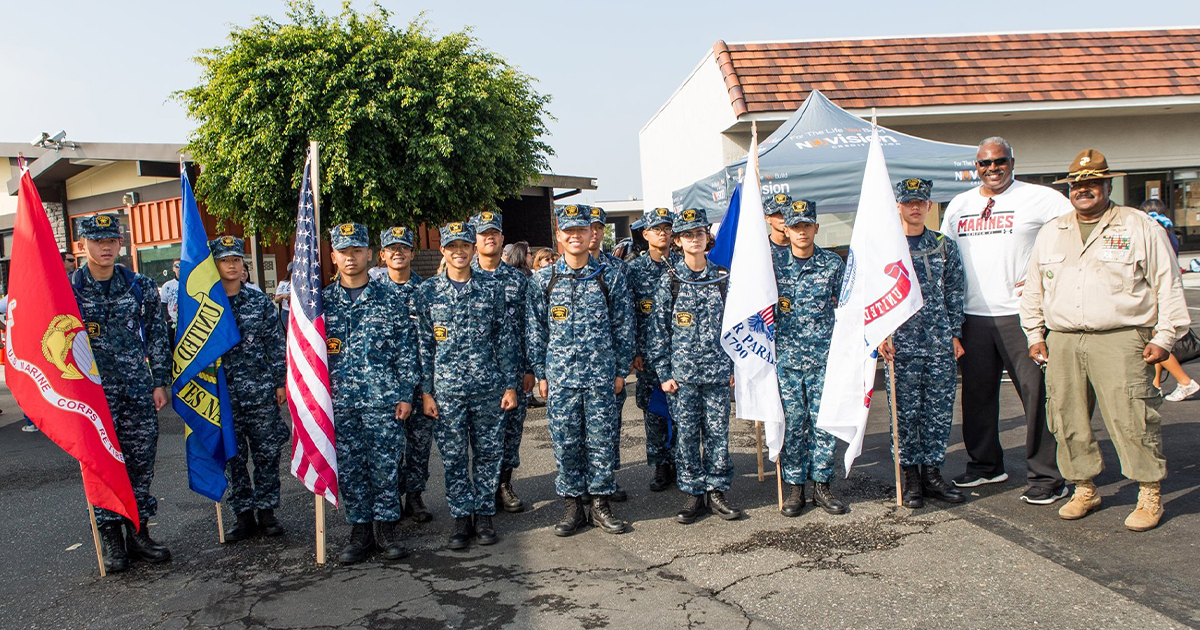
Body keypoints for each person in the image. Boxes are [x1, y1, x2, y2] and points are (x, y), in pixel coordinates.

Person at [1021, 148, 1190, 532]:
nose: (1084, 190)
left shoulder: (1139, 225)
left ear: (1107, 184)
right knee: (1066, 417)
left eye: (1092, 182)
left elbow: (1168, 283)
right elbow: (1033, 290)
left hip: (1121, 337)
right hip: (1063, 338)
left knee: (1132, 418)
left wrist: (1165, 336)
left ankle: (1148, 492)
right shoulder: (1053, 231)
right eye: (1077, 184)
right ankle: (1084, 487)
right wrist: (1035, 333)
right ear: (1069, 189)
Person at [940, 136, 1073, 505]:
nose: (993, 169)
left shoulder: (1040, 198)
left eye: (1000, 161)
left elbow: (1075, 233)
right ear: (975, 167)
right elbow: (947, 256)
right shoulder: (960, 205)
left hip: (1021, 315)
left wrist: (1048, 276)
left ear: (1012, 162)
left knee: (1035, 396)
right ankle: (985, 466)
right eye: (985, 163)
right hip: (973, 316)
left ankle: (1048, 475)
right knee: (977, 396)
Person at [71, 214, 172, 572]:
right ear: (83, 245)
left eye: (111, 241)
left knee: (140, 462)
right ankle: (111, 536)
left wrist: (159, 381)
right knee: (101, 465)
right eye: (98, 242)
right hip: (93, 396)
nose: (106, 248)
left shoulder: (139, 285)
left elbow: (158, 334)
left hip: (136, 390)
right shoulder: (69, 289)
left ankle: (139, 532)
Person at [527, 204, 635, 536]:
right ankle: (573, 507)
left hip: (601, 377)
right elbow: (535, 331)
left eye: (581, 230)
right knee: (565, 442)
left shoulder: (610, 276)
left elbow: (624, 327)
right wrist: (541, 374)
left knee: (602, 441)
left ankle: (600, 505)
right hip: (561, 379)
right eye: (568, 231)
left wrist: (620, 372)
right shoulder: (544, 280)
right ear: (559, 236)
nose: (575, 236)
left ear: (591, 235)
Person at [418, 221, 519, 550]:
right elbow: (423, 346)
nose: (459, 252)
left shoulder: (491, 289)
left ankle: (485, 514)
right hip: (446, 394)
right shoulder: (429, 292)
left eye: (465, 246)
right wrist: (426, 392)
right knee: (454, 458)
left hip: (488, 389)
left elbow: (504, 341)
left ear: (473, 250)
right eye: (452, 247)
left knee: (489, 455)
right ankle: (462, 518)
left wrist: (509, 385)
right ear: (443, 252)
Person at [322, 223, 416, 563]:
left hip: (383, 401)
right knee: (352, 469)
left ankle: (386, 529)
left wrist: (406, 394)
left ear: (368, 254)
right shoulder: (321, 303)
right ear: (334, 256)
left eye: (357, 250)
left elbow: (407, 350)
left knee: (385, 467)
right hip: (340, 403)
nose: (350, 257)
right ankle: (360, 530)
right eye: (344, 252)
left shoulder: (389, 299)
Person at [645, 208, 741, 524]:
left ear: (707, 237)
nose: (694, 239)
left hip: (716, 374)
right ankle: (692, 493)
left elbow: (735, 327)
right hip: (682, 377)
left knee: (717, 434)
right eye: (688, 235)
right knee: (686, 436)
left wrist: (734, 369)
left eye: (699, 233)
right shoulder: (669, 281)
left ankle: (716, 491)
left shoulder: (723, 277)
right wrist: (664, 373)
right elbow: (658, 331)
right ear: (679, 241)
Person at [878, 179, 967, 508]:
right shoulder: (886, 247)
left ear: (929, 206)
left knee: (938, 415)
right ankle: (910, 478)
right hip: (900, 347)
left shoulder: (944, 245)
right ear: (898, 207)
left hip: (938, 344)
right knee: (904, 416)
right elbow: (870, 298)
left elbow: (955, 292)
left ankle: (931, 473)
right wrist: (878, 338)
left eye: (921, 202)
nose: (915, 207)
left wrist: (956, 333)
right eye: (909, 202)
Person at [208, 236, 289, 541]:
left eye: (236, 259)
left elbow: (275, 344)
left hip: (260, 393)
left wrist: (280, 381)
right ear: (214, 265)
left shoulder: (259, 302)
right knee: (233, 456)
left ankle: (267, 511)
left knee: (267, 453)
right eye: (225, 260)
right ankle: (242, 514)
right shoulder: (206, 307)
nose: (232, 265)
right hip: (223, 396)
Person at [772, 198, 848, 516]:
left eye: (807, 225)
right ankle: (795, 488)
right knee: (793, 425)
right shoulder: (773, 268)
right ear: (786, 230)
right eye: (795, 226)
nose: (801, 232)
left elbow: (847, 308)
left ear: (816, 228)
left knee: (823, 423)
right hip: (787, 361)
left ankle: (822, 485)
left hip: (823, 358)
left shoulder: (832, 265)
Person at [470, 211, 535, 513]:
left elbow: (530, 326)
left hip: (513, 370)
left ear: (503, 239)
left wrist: (531, 368)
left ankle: (504, 484)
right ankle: (483, 488)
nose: (490, 238)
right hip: (475, 373)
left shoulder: (518, 280)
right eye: (484, 234)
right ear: (475, 239)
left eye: (494, 232)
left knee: (511, 431)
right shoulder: (462, 277)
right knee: (479, 436)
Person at [377, 226, 434, 523]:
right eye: (392, 248)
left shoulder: (425, 291)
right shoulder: (374, 292)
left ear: (412, 253)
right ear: (383, 255)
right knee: (388, 445)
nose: (398, 253)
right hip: (386, 384)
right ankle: (390, 500)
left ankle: (414, 496)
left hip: (420, 383)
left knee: (419, 445)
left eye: (403, 248)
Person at [627, 207, 678, 492]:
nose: (662, 232)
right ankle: (660, 464)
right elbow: (628, 315)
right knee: (654, 411)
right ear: (645, 234)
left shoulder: (684, 266)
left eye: (667, 228)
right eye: (656, 229)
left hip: (679, 353)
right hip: (648, 356)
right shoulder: (633, 270)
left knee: (682, 410)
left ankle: (681, 460)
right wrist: (634, 351)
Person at [586, 205, 633, 502]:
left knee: (608, 428)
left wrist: (621, 369)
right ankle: (582, 487)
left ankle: (607, 480)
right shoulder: (555, 274)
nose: (592, 232)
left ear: (603, 232)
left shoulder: (617, 270)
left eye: (597, 228)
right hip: (573, 370)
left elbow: (624, 323)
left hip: (607, 368)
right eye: (586, 227)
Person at [1139, 201, 1197, 402]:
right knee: (1156, 342)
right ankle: (1156, 384)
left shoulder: (1154, 232)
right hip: (1163, 292)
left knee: (1158, 342)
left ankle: (1184, 381)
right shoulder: (1168, 231)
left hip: (1154, 294)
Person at [763, 193, 793, 268]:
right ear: (768, 218)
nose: (784, 217)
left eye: (787, 212)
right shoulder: (761, 249)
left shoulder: (802, 247)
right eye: (778, 213)